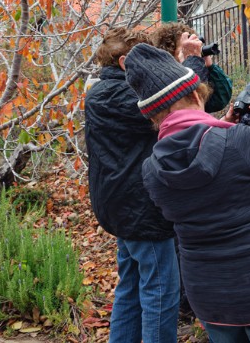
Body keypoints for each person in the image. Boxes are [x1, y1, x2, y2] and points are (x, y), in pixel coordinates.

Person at [123, 43, 250, 343]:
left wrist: (219, 128)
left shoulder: (152, 170)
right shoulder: (240, 140)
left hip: (209, 297)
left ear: (154, 117)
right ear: (193, 94)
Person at [84, 27, 191, 343]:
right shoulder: (130, 99)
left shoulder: (100, 93)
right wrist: (190, 62)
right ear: (125, 63)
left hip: (120, 209)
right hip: (142, 211)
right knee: (161, 290)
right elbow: (180, 103)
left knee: (130, 286)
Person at [150, 22, 233, 113]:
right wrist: (192, 61)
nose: (191, 53)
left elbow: (218, 101)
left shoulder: (198, 70)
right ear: (169, 54)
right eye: (185, 50)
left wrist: (210, 68)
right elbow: (187, 103)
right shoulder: (158, 84)